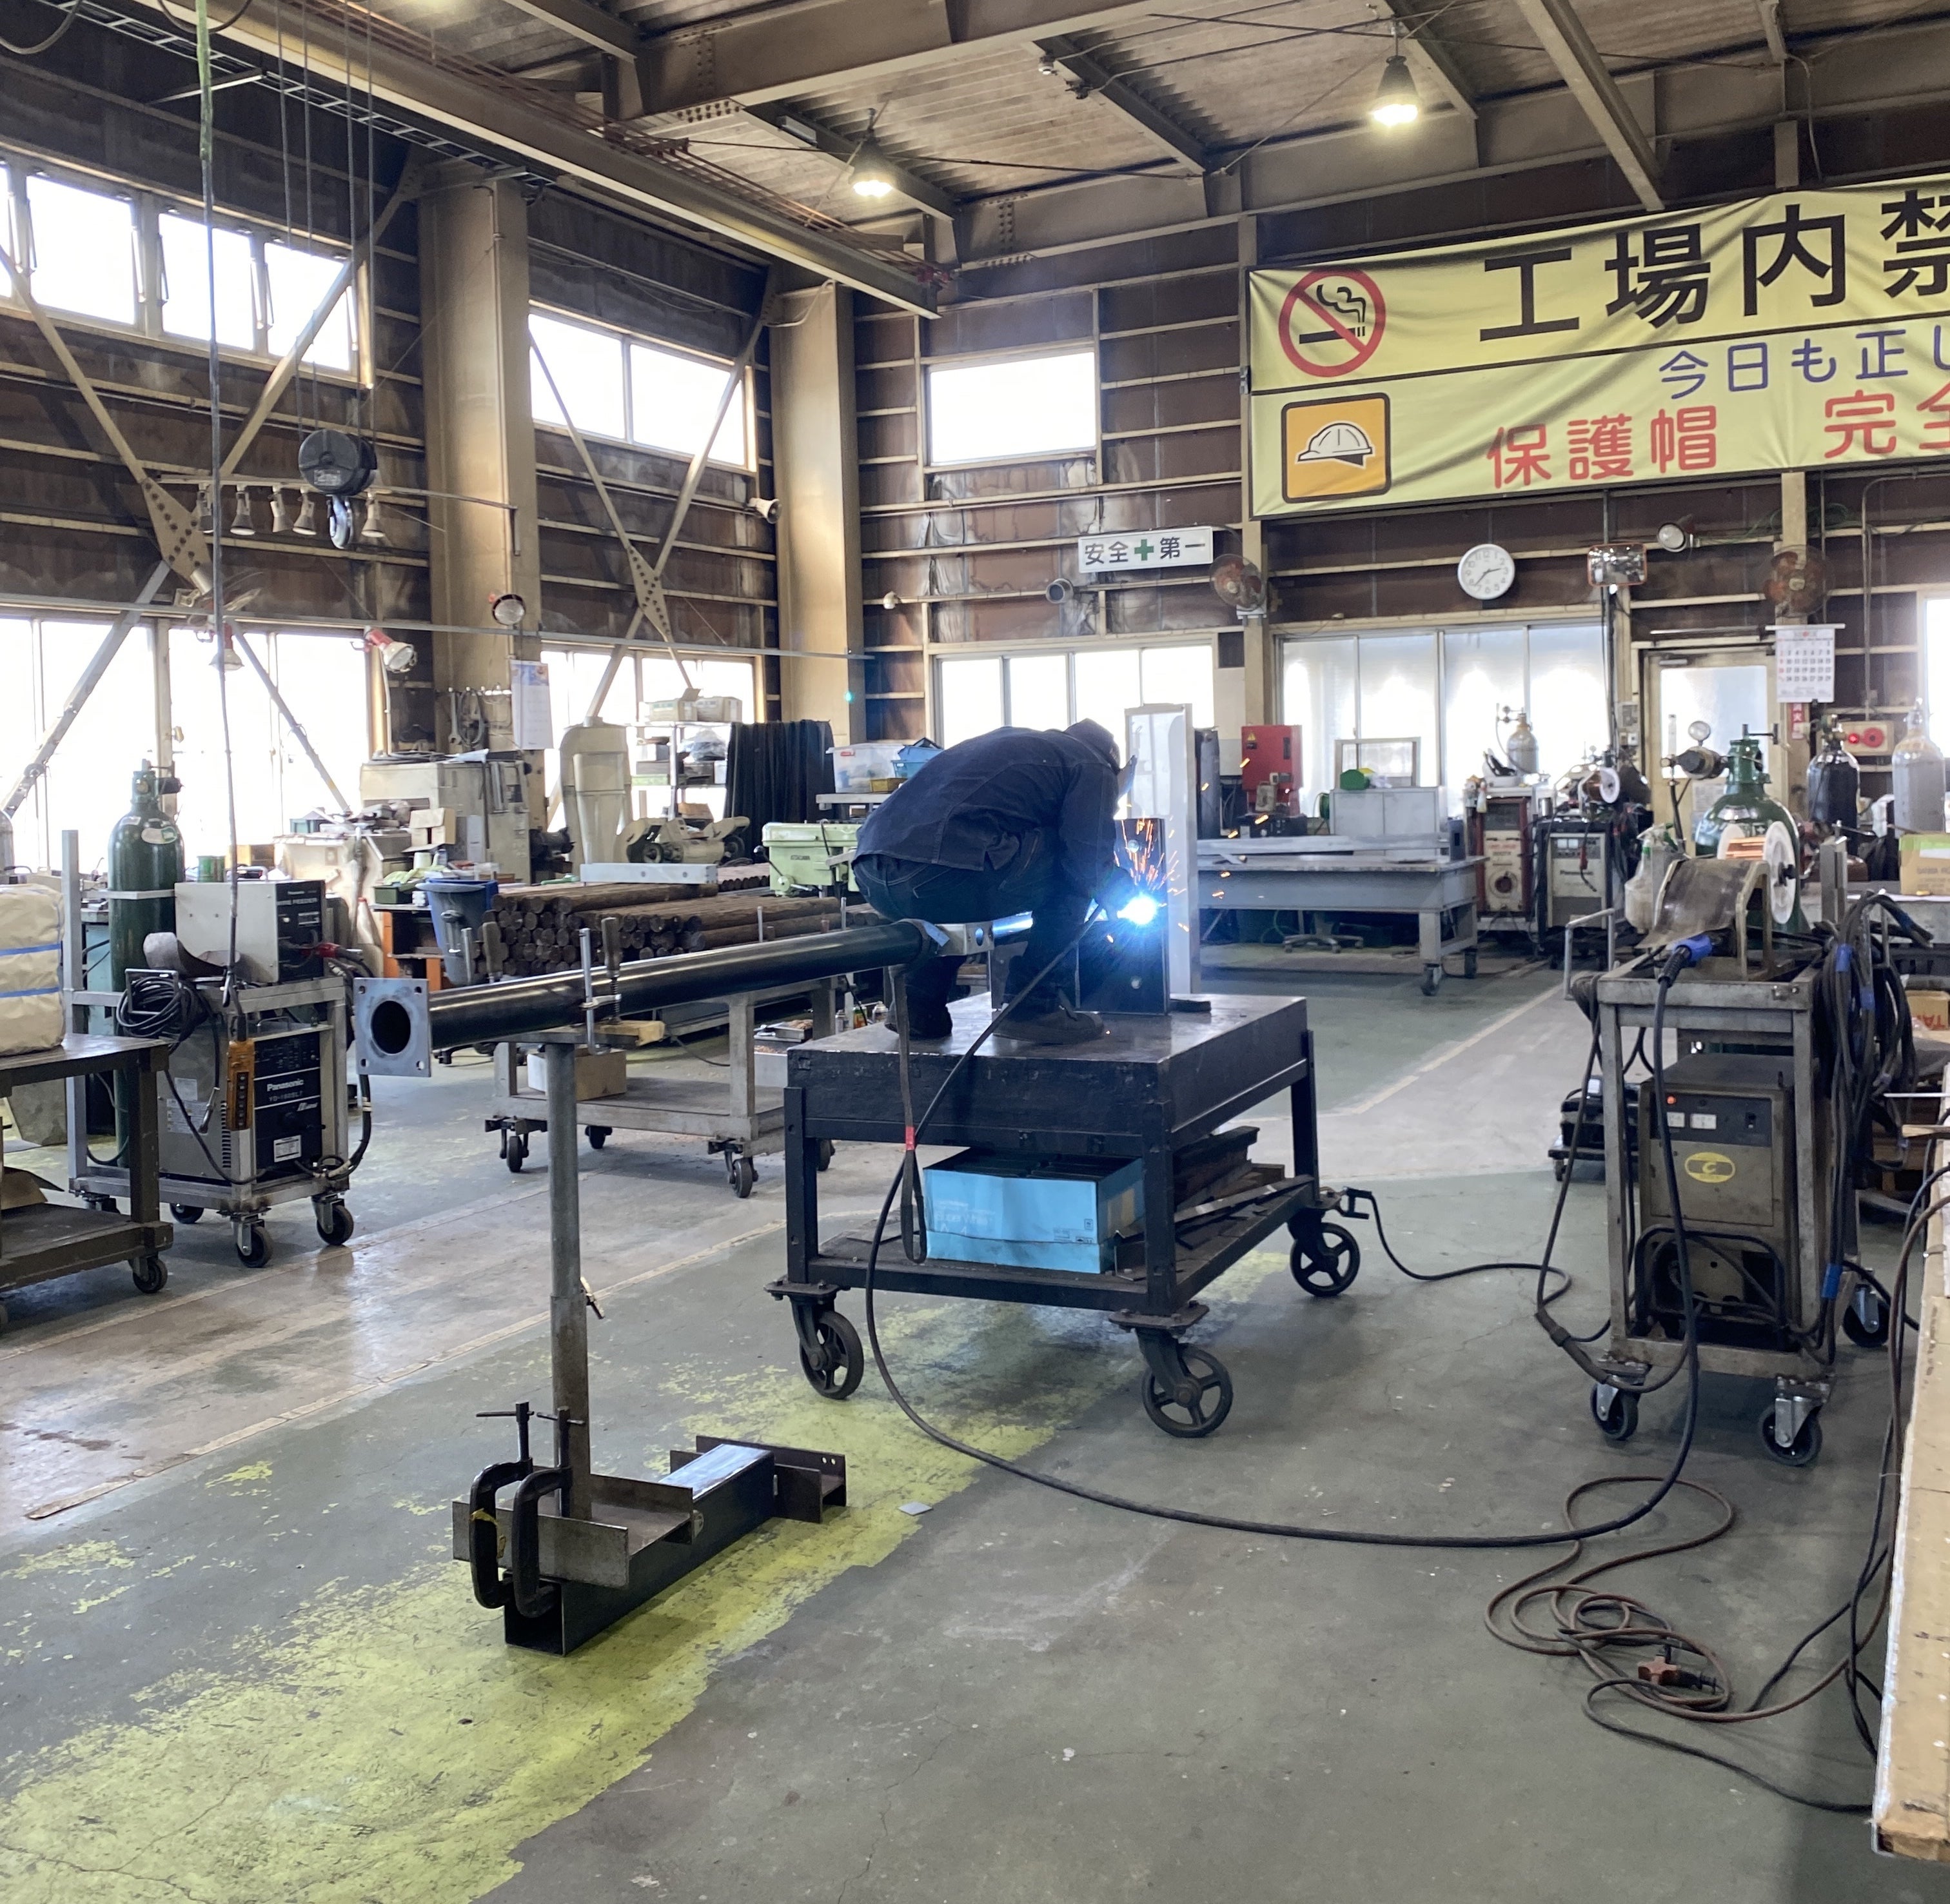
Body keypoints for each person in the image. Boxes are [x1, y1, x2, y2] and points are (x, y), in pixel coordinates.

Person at [851, 720, 1132, 1045]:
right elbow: (1087, 857)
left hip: (871, 872)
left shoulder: (1016, 743)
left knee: (957, 888)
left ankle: (917, 1007)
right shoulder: (1092, 764)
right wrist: (1120, 890)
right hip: (941, 872)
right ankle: (1033, 1006)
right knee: (1071, 868)